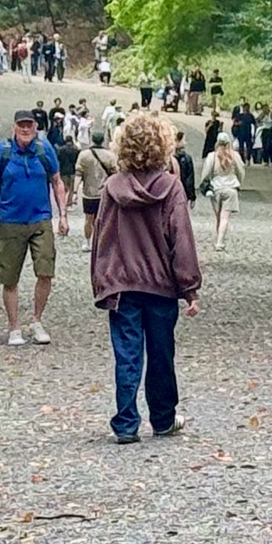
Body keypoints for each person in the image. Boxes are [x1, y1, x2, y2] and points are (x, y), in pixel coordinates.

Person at [91, 112, 201, 444]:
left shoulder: (112, 188)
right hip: (161, 287)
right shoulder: (170, 188)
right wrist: (190, 288)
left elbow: (102, 239)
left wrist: (102, 282)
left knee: (127, 355)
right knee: (161, 353)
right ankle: (163, 418)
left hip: (123, 285)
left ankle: (126, 423)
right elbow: (181, 239)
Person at [0, 108, 68, 346]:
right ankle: (14, 326)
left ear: (36, 127)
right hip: (11, 220)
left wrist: (63, 215)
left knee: (45, 270)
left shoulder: (44, 149)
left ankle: (37, 320)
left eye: (30, 125)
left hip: (41, 218)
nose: (26, 129)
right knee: (9, 276)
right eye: (22, 125)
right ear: (14, 127)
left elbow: (57, 182)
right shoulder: (3, 151)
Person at [199, 133, 245, 251]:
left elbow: (206, 172)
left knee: (218, 216)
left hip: (216, 189)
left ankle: (219, 238)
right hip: (230, 189)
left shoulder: (212, 156)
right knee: (225, 217)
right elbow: (241, 171)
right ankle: (220, 242)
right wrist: (239, 183)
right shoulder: (235, 156)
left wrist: (204, 184)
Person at [76, 132, 117, 246]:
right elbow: (115, 174)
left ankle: (88, 242)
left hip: (89, 192)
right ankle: (101, 242)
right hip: (104, 192)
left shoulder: (84, 155)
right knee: (104, 219)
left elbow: (78, 173)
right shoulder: (110, 155)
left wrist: (75, 191)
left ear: (92, 139)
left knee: (88, 218)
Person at [172, 132, 196, 203]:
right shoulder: (187, 158)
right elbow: (190, 179)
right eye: (184, 140)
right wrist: (192, 196)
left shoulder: (169, 158)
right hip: (183, 191)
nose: (185, 143)